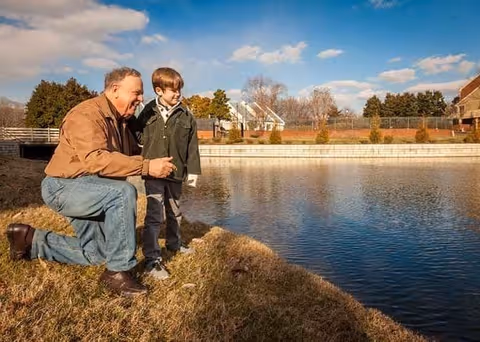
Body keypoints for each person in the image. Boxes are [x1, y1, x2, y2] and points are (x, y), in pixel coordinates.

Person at [5, 67, 177, 297]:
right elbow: (96, 160)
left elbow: (133, 154)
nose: (140, 98)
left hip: (93, 189)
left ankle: (29, 240)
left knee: (96, 254)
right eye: (136, 92)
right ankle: (117, 273)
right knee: (123, 193)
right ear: (115, 90)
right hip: (64, 187)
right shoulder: (86, 115)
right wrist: (147, 166)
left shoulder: (122, 121)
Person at [130, 67, 201, 280]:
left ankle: (174, 243)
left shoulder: (186, 115)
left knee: (175, 211)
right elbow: (136, 134)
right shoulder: (148, 111)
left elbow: (192, 146)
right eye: (173, 91)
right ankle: (152, 257)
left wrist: (193, 171)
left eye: (179, 90)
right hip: (153, 172)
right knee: (154, 214)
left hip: (176, 173)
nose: (178, 94)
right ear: (159, 91)